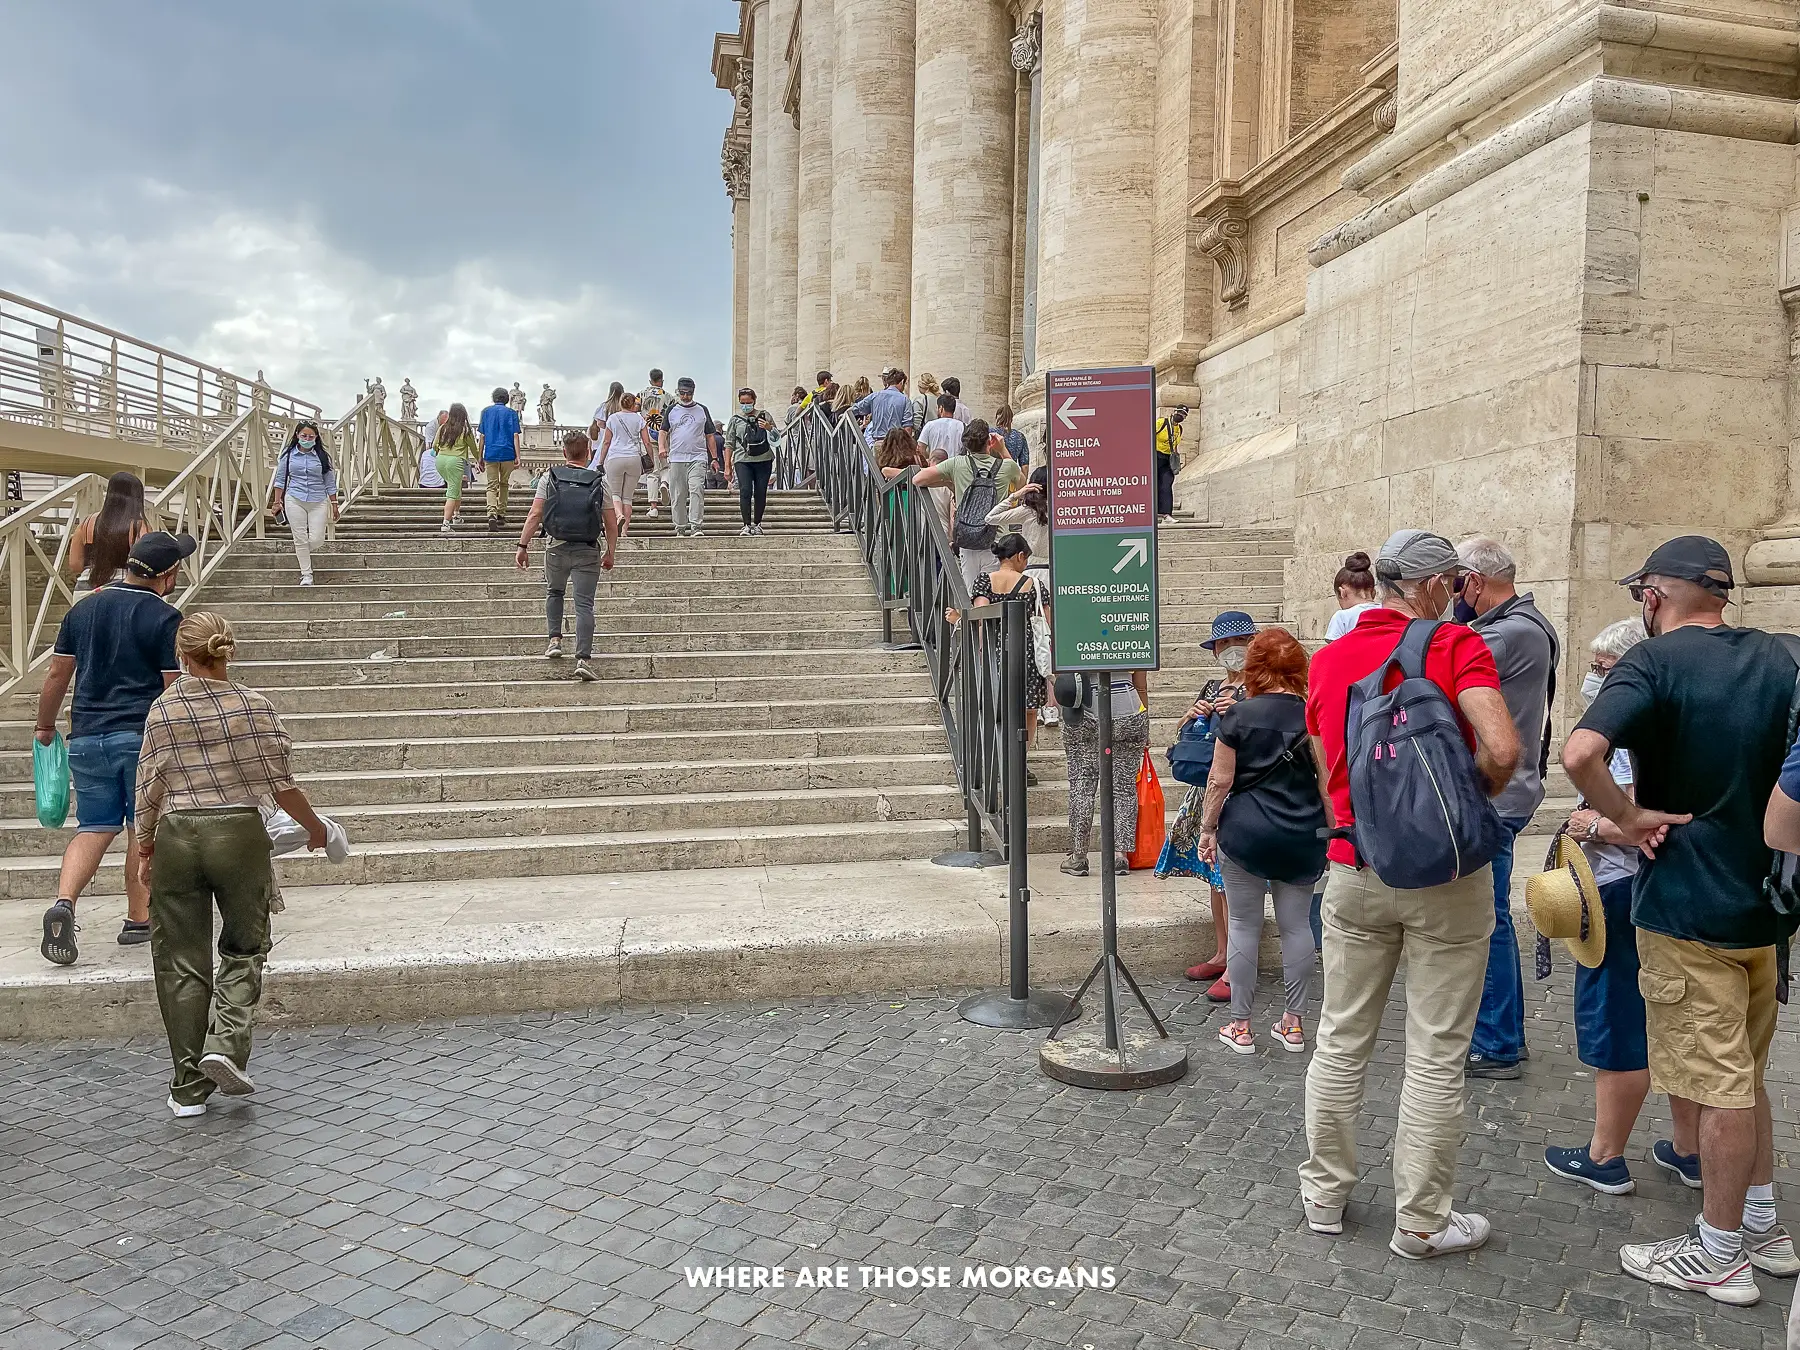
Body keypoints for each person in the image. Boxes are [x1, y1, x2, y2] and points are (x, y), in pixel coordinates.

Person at [1565, 536, 1800, 1306]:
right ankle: (1762, 1227)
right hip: (1765, 908)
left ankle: (1719, 1252)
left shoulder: (1652, 663)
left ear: (1653, 598)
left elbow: (1580, 754)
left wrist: (1625, 817)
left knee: (1723, 1084)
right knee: (1749, 1074)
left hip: (1685, 910)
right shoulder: (1784, 655)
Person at [1299, 528, 1518, 1261]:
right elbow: (1505, 748)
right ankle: (1421, 1221)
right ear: (1434, 585)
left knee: (1341, 1036)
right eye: (1453, 584)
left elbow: (1327, 759)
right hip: (1445, 874)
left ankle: (1324, 1195)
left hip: (1354, 865)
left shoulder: (1327, 662)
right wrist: (1472, 796)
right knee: (1434, 1053)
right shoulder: (1456, 647)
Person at [133, 612, 329, 1117]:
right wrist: (315, 828)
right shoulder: (255, 706)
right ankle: (225, 1041)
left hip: (179, 833)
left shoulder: (162, 710)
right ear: (228, 653)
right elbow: (283, 784)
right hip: (240, 832)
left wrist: (147, 848)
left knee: (179, 960)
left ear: (181, 654)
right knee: (245, 946)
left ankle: (186, 1087)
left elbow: (149, 788)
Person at [1542, 619, 1690, 1195]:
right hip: (1670, 896)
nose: (1594, 678)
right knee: (1680, 1025)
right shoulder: (1678, 723)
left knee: (1618, 1024)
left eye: (1605, 668)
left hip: (1620, 893)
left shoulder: (1624, 735)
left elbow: (1631, 825)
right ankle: (1690, 1149)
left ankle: (1605, 1157)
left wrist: (1584, 822)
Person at [36, 531, 193, 965]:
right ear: (168, 573)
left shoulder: (82, 610)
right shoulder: (165, 617)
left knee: (93, 826)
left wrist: (44, 725)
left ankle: (64, 903)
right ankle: (139, 918)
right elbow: (171, 687)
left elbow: (56, 675)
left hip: (86, 737)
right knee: (139, 829)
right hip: (140, 736)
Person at [1457, 536, 1560, 1080]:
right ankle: (1504, 1035)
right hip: (1509, 790)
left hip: (1499, 794)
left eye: (1458, 584)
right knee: (1488, 914)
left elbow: (1441, 662)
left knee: (1487, 918)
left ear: (1474, 582)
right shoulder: (1522, 626)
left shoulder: (1511, 633)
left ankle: (1496, 1042)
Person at [1196, 628, 1326, 1055]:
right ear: (1298, 669)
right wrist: (1336, 831)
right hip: (1303, 831)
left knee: (1244, 925)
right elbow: (1326, 782)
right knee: (1296, 926)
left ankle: (1241, 1025)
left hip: (1246, 832)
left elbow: (1219, 781)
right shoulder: (1312, 715)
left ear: (1253, 668)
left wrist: (1207, 830)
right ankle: (1293, 1024)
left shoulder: (1236, 717)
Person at [1165, 612, 1257, 1004]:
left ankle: (1238, 966)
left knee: (1232, 881)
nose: (1229, 650)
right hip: (1206, 790)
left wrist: (1231, 715)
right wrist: (1191, 717)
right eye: (1222, 644)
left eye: (1237, 642)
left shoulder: (1260, 687)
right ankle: (1222, 954)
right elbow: (1185, 738)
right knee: (1214, 881)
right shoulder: (1212, 686)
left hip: (1239, 792)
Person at [516, 431, 619, 683]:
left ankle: (554, 641)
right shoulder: (600, 481)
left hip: (556, 546)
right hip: (587, 548)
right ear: (589, 453)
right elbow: (611, 522)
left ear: (564, 452)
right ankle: (583, 658)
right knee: (584, 604)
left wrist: (523, 545)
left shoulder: (549, 478)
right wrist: (611, 552)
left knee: (555, 592)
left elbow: (535, 514)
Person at [1055, 668, 1150, 877]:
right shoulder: (1132, 636)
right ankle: (1120, 855)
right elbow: (1140, 685)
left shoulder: (1075, 635)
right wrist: (1146, 727)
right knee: (1124, 789)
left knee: (1082, 786)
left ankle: (1079, 856)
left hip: (1087, 710)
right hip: (1130, 709)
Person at [912, 419, 1023, 595]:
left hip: (967, 541)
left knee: (973, 597)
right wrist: (1002, 450)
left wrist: (951, 483)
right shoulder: (1007, 466)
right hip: (997, 541)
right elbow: (1021, 484)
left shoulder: (957, 463)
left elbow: (918, 479)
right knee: (994, 596)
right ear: (989, 441)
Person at [971, 533, 1048, 755]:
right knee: (1029, 710)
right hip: (1028, 656)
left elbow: (981, 619)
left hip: (995, 653)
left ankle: (999, 757)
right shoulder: (1034, 584)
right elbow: (1047, 623)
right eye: (1025, 560)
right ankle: (1021, 759)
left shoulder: (984, 580)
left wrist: (982, 653)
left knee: (998, 706)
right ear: (1020, 556)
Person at [269, 420, 338, 586]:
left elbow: (329, 481)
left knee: (317, 539)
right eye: (304, 435)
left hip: (317, 499)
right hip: (294, 497)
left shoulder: (322, 456)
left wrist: (335, 504)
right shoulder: (288, 454)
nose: (307, 438)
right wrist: (277, 502)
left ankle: (302, 551)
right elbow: (280, 479)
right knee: (299, 538)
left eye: (310, 436)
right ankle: (306, 574)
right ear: (297, 436)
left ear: (316, 438)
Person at [658, 378, 721, 539]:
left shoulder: (702, 410)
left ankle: (695, 525)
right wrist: (662, 447)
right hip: (677, 457)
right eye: (683, 393)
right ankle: (680, 527)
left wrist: (714, 458)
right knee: (678, 494)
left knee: (697, 489)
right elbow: (663, 431)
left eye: (689, 393)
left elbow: (710, 435)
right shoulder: (672, 410)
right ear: (678, 392)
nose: (686, 396)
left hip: (698, 457)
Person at [68, 470, 149, 589]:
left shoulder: (86, 524)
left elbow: (75, 565)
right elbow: (147, 560)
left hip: (86, 587)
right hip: (123, 587)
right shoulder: (138, 526)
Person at [726, 388, 781, 536]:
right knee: (745, 491)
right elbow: (729, 443)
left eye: (748, 402)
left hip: (764, 459)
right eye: (743, 403)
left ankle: (757, 523)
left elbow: (777, 438)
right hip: (742, 459)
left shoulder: (764, 415)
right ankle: (746, 525)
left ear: (754, 401)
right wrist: (727, 466)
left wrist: (769, 428)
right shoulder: (735, 419)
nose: (746, 406)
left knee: (761, 491)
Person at [599, 393, 650, 536]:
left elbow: (606, 442)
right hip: (633, 458)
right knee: (627, 497)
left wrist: (600, 461)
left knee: (615, 493)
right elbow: (646, 442)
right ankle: (624, 531)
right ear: (633, 404)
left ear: (621, 403)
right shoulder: (639, 419)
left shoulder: (613, 418)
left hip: (615, 457)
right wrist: (650, 458)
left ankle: (619, 515)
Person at [477, 386, 522, 531]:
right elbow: (515, 436)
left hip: (491, 453)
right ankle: (501, 514)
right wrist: (518, 456)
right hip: (508, 453)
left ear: (493, 398)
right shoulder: (512, 413)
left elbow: (482, 437)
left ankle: (491, 514)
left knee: (491, 485)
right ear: (507, 399)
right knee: (504, 484)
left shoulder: (485, 412)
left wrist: (480, 457)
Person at [432, 403, 479, 535]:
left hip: (441, 460)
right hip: (455, 461)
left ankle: (457, 516)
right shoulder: (465, 430)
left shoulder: (443, 427)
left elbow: (435, 445)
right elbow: (474, 449)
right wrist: (479, 461)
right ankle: (446, 523)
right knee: (452, 492)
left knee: (455, 486)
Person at [637, 370, 676, 519]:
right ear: (662, 380)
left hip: (647, 434)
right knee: (666, 466)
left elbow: (633, 409)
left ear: (650, 380)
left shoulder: (641, 394)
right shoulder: (669, 397)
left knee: (652, 472)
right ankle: (665, 483)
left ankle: (653, 506)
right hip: (664, 435)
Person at [852, 368, 915, 448]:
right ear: (902, 382)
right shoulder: (905, 399)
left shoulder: (875, 396)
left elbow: (856, 409)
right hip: (896, 445)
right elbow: (907, 426)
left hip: (878, 442)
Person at [1325, 551, 1377, 641]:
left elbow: (1333, 650)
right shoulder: (1387, 609)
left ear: (1342, 592)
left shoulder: (1341, 617)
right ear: (1374, 592)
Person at [1154, 405, 1186, 522]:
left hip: (1168, 459)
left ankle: (1166, 514)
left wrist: (1176, 460)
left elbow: (1175, 445)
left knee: (1167, 484)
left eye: (1183, 415)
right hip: (1156, 455)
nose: (1181, 416)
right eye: (1180, 412)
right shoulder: (1161, 423)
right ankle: (1152, 511)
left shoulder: (1179, 429)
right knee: (1154, 484)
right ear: (1174, 412)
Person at [919, 393, 967, 462]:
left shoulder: (930, 425)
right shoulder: (963, 426)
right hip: (955, 468)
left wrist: (929, 459)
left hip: (934, 468)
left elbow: (920, 448)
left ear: (941, 408)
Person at [994, 406, 1030, 470]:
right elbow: (1025, 465)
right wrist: (1023, 479)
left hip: (993, 475)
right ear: (1011, 419)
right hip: (1011, 474)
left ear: (997, 417)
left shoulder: (991, 433)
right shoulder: (1020, 436)